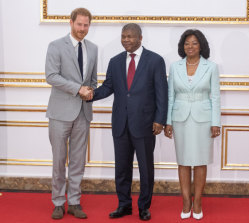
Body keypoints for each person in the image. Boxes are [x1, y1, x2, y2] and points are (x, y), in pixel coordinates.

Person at [88, 23, 168, 221]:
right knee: (121, 168)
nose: (126, 40)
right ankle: (123, 205)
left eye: (130, 36)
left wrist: (160, 120)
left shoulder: (155, 60)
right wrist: (90, 95)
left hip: (146, 124)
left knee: (145, 169)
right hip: (121, 123)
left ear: (140, 38)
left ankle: (143, 207)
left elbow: (162, 93)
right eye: (123, 36)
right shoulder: (115, 61)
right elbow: (108, 87)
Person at [45, 7, 97, 220]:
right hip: (59, 112)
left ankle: (74, 201)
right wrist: (77, 89)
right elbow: (51, 76)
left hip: (83, 113)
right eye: (79, 24)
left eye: (86, 25)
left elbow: (92, 80)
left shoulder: (93, 48)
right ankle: (58, 202)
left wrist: (90, 91)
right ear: (71, 22)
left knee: (78, 161)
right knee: (59, 160)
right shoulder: (56, 46)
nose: (82, 29)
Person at [164, 29, 221, 220]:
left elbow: (215, 97)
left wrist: (216, 122)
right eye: (187, 43)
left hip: (203, 120)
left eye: (194, 43)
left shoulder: (211, 67)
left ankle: (198, 201)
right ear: (182, 46)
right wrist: (168, 121)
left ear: (201, 45)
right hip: (180, 119)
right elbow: (171, 95)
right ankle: (186, 201)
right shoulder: (174, 67)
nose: (190, 46)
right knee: (183, 162)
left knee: (200, 162)